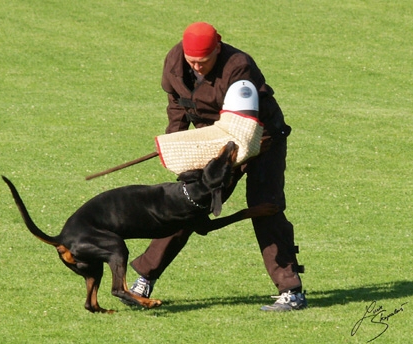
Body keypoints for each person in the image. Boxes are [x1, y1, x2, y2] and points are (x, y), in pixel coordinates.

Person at [128, 22, 306, 311]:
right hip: (213, 139)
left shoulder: (238, 66)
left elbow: (241, 127)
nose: (197, 67)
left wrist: (215, 152)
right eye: (192, 61)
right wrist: (178, 148)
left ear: (218, 48)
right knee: (187, 202)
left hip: (260, 137)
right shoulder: (175, 62)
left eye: (204, 61)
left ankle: (291, 292)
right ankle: (144, 278)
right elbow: (177, 106)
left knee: (265, 206)